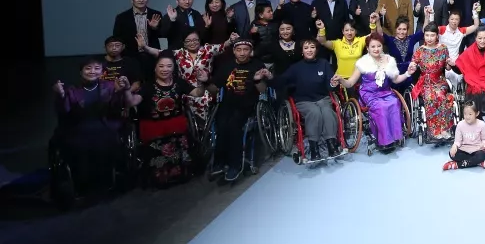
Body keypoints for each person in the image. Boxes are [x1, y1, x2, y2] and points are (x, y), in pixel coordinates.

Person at [52, 58, 129, 196]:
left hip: (104, 125)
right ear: (81, 72)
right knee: (78, 147)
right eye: (88, 68)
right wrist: (61, 96)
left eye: (96, 68)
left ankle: (105, 182)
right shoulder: (72, 90)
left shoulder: (110, 86)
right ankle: (82, 185)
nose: (92, 71)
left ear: (102, 71)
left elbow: (116, 109)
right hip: (78, 127)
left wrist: (118, 93)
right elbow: (64, 112)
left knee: (107, 144)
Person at [126, 55, 205, 186]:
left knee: (183, 141)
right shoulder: (148, 86)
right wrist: (126, 90)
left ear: (173, 68)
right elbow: (132, 101)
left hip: (176, 123)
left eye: (169, 66)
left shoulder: (179, 82)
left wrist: (201, 83)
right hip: (153, 126)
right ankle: (161, 176)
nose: (165, 69)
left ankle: (180, 173)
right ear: (155, 68)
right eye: (161, 66)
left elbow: (198, 93)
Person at [207, 39, 270, 183]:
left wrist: (257, 80)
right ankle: (219, 162)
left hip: (247, 105)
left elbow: (263, 90)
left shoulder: (257, 65)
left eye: (245, 50)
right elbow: (214, 89)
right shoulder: (226, 66)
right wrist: (205, 82)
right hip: (227, 104)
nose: (242, 53)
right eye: (239, 50)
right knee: (221, 125)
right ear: (234, 51)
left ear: (251, 51)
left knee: (234, 125)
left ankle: (234, 164)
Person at [340, 35, 417, 150]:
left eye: (379, 46)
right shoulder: (362, 63)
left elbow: (396, 80)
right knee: (380, 107)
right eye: (373, 47)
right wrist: (341, 80)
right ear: (368, 48)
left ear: (382, 47)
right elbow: (350, 83)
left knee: (395, 103)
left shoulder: (389, 60)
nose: (376, 49)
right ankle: (383, 140)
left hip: (385, 92)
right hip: (369, 93)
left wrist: (408, 73)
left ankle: (395, 136)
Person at [276, 39, 346, 160]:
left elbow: (330, 85)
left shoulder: (324, 63)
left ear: (316, 50)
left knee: (328, 112)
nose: (309, 50)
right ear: (302, 51)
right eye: (306, 48)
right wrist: (269, 77)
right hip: (304, 100)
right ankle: (314, 148)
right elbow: (281, 81)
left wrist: (333, 83)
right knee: (314, 112)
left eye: (312, 47)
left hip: (322, 98)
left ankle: (331, 145)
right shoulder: (296, 68)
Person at [411, 23, 455, 141]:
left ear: (437, 36)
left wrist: (450, 63)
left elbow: (447, 68)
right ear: (424, 36)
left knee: (441, 96)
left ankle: (444, 129)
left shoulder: (443, 48)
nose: (429, 38)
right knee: (430, 97)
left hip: (439, 81)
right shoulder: (420, 50)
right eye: (427, 35)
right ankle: (434, 131)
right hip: (425, 82)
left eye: (432, 35)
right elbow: (413, 63)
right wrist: (412, 66)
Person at [315, 15, 379, 80]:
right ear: (343, 31)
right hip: (341, 79)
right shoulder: (337, 43)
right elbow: (323, 42)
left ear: (356, 31)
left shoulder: (360, 41)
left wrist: (372, 24)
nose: (349, 33)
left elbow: (372, 36)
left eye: (352, 30)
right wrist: (322, 29)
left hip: (357, 78)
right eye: (346, 30)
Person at [444, 99, 485, 170]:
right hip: (463, 149)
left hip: (476, 150)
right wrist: (454, 146)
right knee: (451, 154)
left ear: (477, 114)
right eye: (465, 114)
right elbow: (457, 141)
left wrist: (484, 145)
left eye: (470, 114)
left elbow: (484, 139)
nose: (467, 117)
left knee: (482, 155)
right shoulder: (460, 124)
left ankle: (457, 165)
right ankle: (477, 162)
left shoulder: (481, 124)